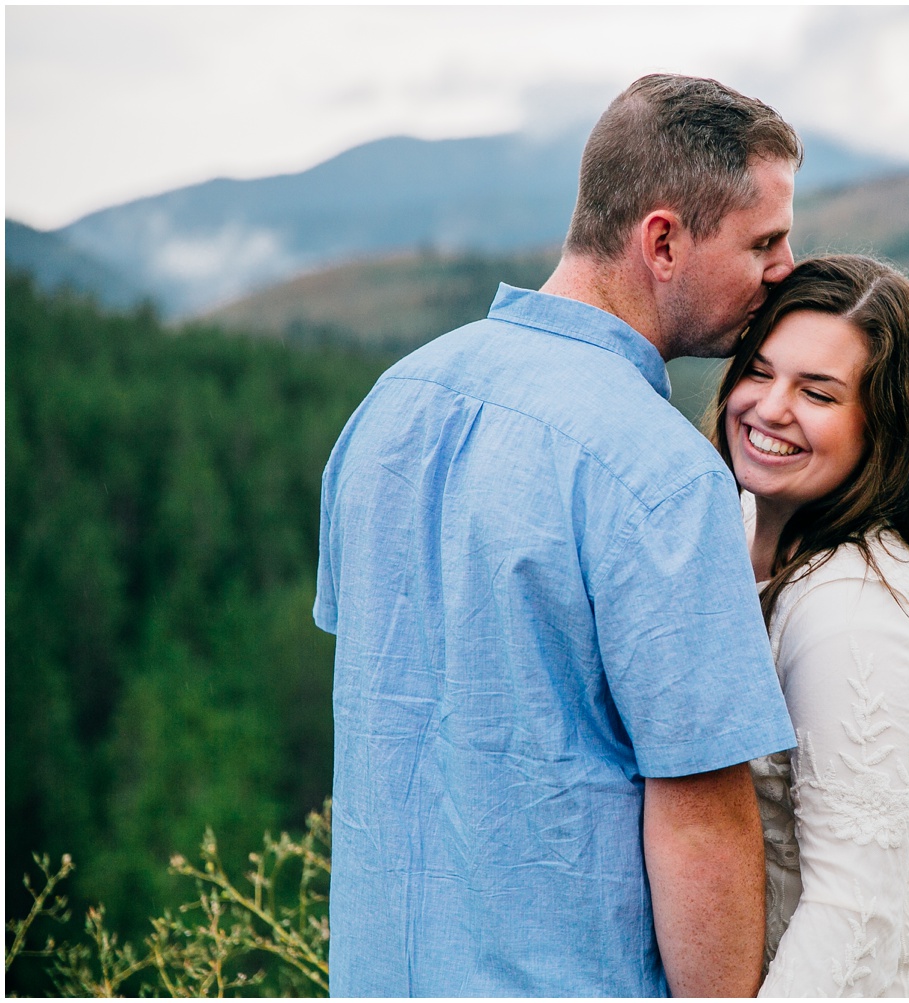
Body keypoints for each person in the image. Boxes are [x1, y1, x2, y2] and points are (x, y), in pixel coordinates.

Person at [314, 74, 800, 997]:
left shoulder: (392, 402)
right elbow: (701, 814)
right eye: (764, 242)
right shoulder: (663, 476)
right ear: (662, 240)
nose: (784, 268)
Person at [705, 254, 909, 996]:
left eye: (818, 393)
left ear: (883, 426)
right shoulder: (737, 534)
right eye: (759, 372)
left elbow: (852, 914)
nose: (770, 407)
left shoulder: (853, 611)